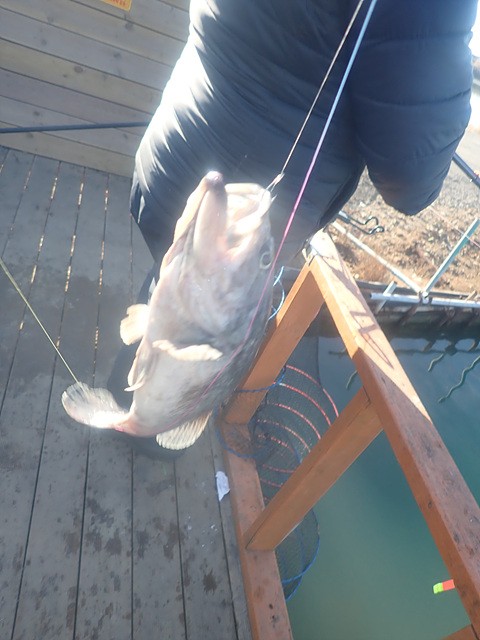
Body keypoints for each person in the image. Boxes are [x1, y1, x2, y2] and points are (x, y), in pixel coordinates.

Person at [110, 0, 477, 458]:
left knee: (171, 288)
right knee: (198, 314)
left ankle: (130, 406)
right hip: (246, 213)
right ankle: (146, 435)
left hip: (176, 144)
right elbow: (411, 180)